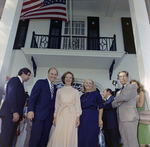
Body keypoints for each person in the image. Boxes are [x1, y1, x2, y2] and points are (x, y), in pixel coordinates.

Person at [47, 71, 82, 147]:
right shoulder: (59, 91)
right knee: (59, 132)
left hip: (71, 114)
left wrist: (78, 118)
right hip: (61, 114)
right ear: (63, 79)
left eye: (70, 77)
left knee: (70, 133)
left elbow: (77, 105)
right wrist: (55, 117)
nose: (68, 79)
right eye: (66, 77)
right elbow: (56, 105)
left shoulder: (75, 91)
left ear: (72, 79)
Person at [0, 67, 31, 147]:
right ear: (23, 73)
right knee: (5, 138)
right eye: (28, 75)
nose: (29, 77)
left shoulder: (20, 83)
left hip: (14, 116)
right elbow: (11, 95)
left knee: (11, 139)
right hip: (10, 114)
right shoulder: (15, 80)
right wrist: (15, 112)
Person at [27, 68, 58, 147]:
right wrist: (30, 110)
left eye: (55, 74)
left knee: (44, 139)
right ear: (48, 74)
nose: (53, 76)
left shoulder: (55, 88)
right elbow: (32, 97)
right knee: (35, 138)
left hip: (49, 118)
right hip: (39, 115)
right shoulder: (40, 82)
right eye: (52, 74)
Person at [112, 71, 139, 147]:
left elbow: (125, 97)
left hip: (130, 117)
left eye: (124, 76)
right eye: (120, 77)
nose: (122, 78)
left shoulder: (132, 86)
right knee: (125, 141)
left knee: (132, 141)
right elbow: (113, 104)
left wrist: (116, 99)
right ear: (118, 79)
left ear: (127, 77)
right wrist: (118, 102)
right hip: (121, 118)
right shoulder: (119, 92)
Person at [78, 78, 103, 147]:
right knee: (82, 135)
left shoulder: (96, 94)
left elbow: (101, 107)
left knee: (92, 135)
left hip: (93, 115)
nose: (88, 84)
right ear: (84, 84)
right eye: (86, 83)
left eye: (90, 83)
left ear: (92, 85)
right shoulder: (82, 96)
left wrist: (100, 119)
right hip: (83, 116)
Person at [130, 80, 150, 147]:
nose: (133, 86)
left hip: (141, 117)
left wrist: (132, 101)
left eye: (135, 85)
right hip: (135, 118)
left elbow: (140, 105)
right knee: (137, 140)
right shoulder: (131, 94)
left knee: (142, 140)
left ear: (138, 86)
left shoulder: (141, 92)